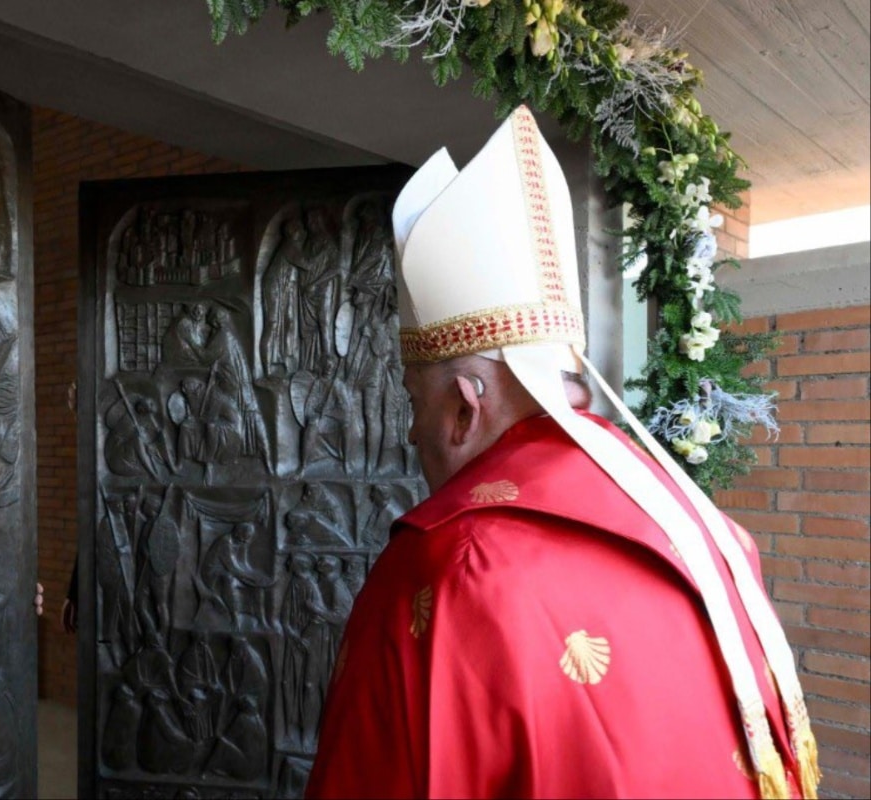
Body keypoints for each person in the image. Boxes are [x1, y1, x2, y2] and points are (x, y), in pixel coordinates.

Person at [305, 106, 818, 800]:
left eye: (412, 399)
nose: (411, 431)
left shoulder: (450, 567)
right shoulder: (697, 523)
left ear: (463, 406)